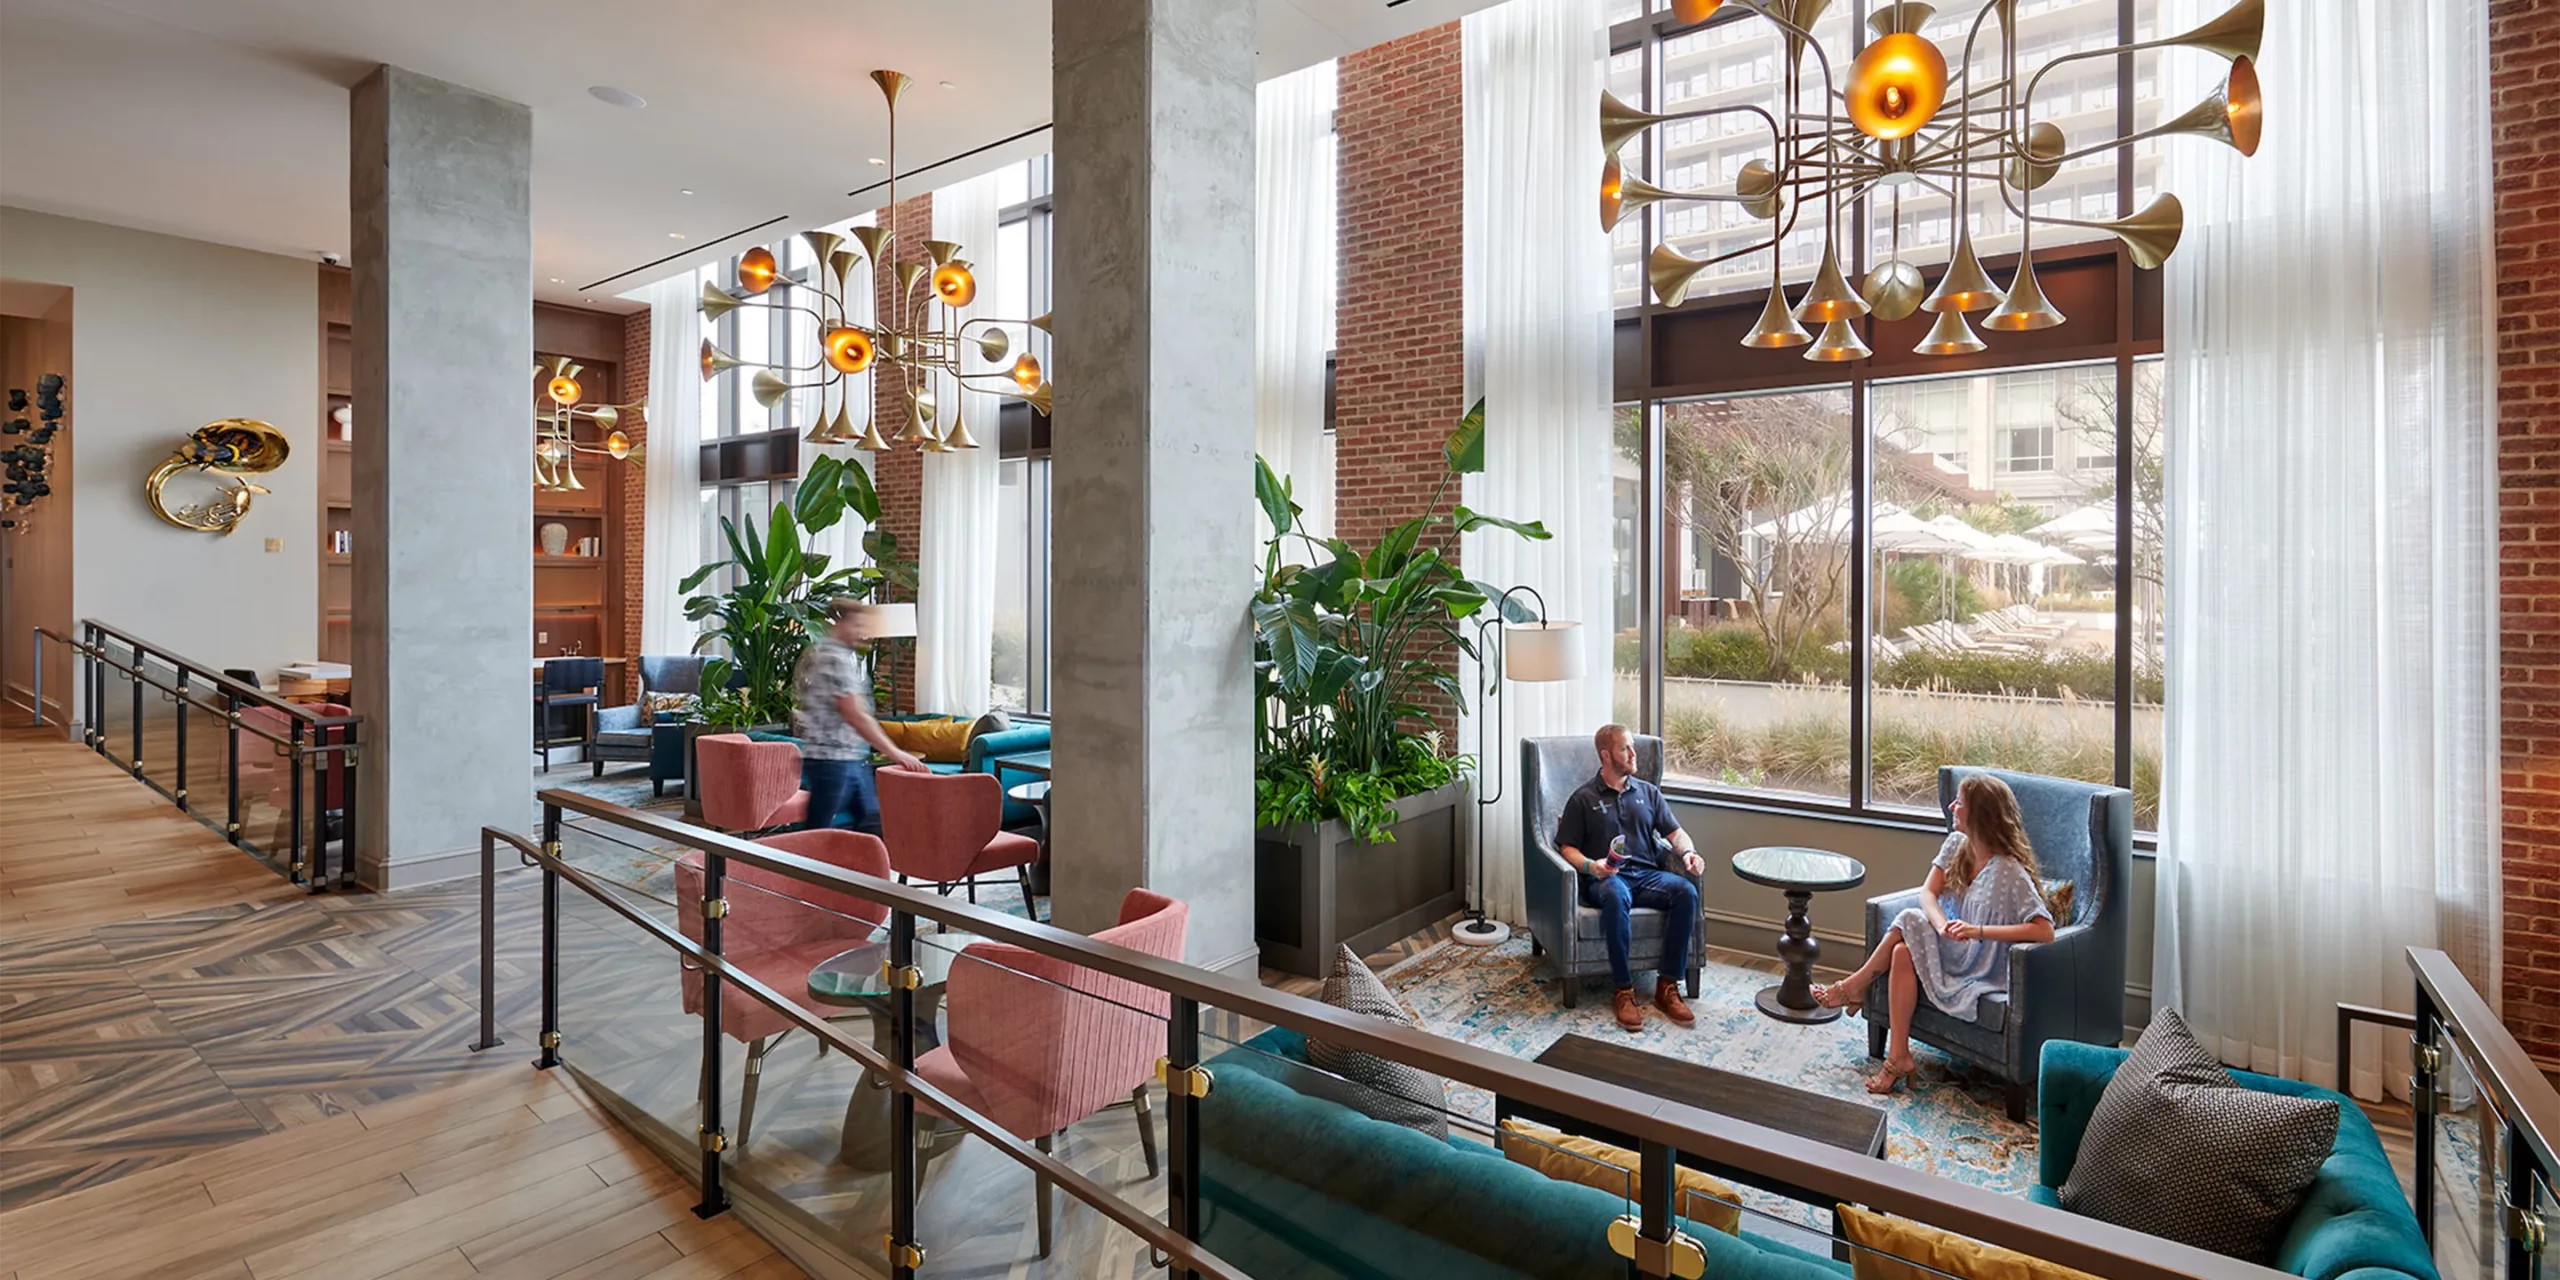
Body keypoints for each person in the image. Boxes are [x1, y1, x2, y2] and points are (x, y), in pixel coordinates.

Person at [1812, 773, 2057, 1094]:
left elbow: (2045, 931)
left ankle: (1853, 988)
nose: (1952, 806)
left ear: (1979, 814)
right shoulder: (1957, 845)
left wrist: (1977, 930)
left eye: (1960, 802)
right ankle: (1898, 1055)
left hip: (1981, 966)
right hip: (1952, 946)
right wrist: (1941, 925)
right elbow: (1928, 893)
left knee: (1909, 922)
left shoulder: (2008, 871)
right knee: (1903, 947)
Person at [1555, 723, 1704, 1033]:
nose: (1634, 754)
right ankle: (1623, 991)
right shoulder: (1582, 799)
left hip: (1648, 875)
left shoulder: (1648, 793)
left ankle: (1667, 986)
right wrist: (1591, 867)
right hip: (1607, 879)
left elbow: (1674, 832)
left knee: (1686, 892)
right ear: (1606, 755)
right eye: (1626, 748)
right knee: (1615, 895)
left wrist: (1688, 853)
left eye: (1632, 747)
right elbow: (1566, 846)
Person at [794, 598, 927, 834]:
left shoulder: (823, 652)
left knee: (870, 821)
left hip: (848, 758)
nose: (861, 633)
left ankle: (858, 869)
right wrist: (895, 752)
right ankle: (800, 869)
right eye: (857, 626)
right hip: (832, 760)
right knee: (819, 832)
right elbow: (854, 714)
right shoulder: (834, 658)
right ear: (841, 624)